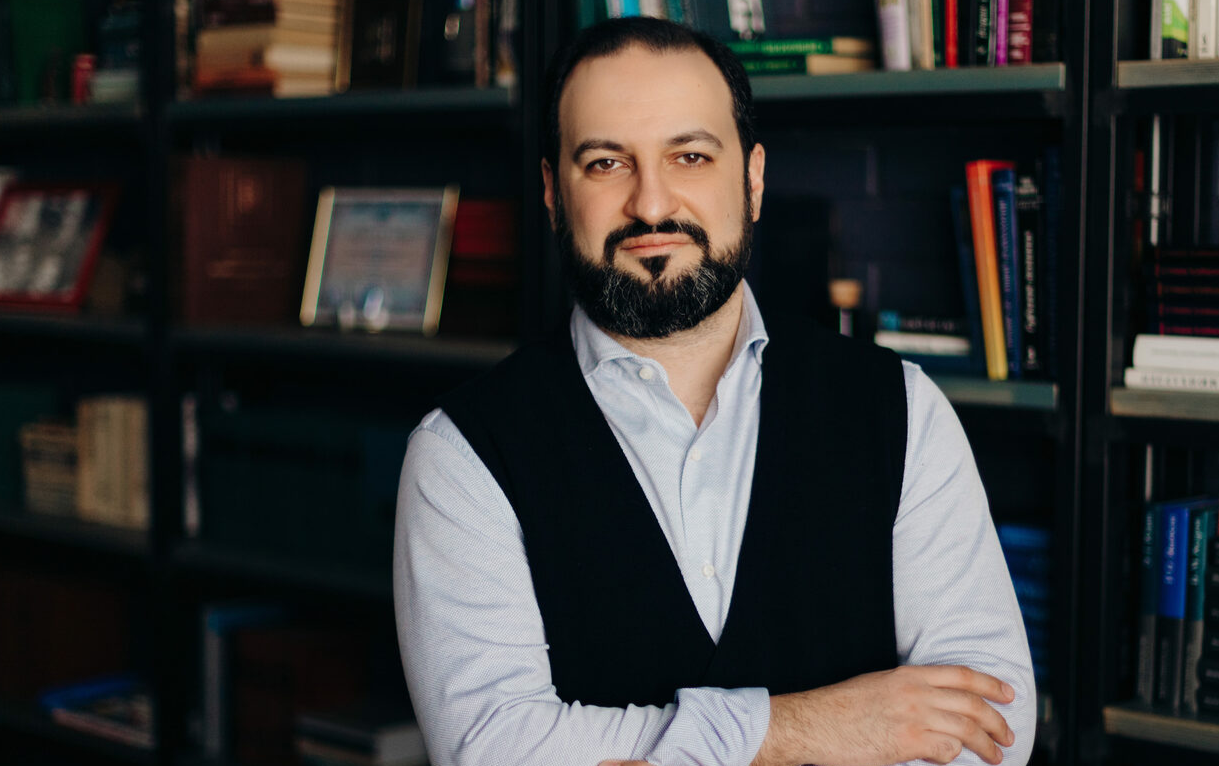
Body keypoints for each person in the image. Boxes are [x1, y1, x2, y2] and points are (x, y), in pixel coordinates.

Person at [393, 16, 1036, 766]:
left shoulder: (902, 409)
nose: (651, 205)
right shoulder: (460, 455)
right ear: (552, 192)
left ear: (753, 180)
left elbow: (992, 725)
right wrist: (812, 728)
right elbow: (496, 749)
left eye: (690, 156)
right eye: (606, 163)